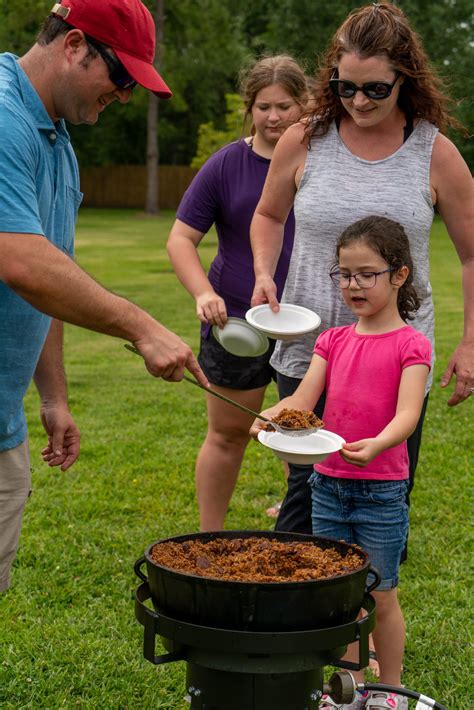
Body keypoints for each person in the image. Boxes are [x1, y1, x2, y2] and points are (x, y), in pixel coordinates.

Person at [0, 0, 209, 594]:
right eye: (120, 78)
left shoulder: (56, 141)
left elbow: (54, 275)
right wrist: (141, 325)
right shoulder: (3, 117)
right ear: (73, 46)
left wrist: (53, 396)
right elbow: (19, 261)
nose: (121, 96)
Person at [250, 1, 473, 541]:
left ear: (405, 80)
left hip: (391, 362)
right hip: (309, 348)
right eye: (345, 87)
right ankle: (305, 617)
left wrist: (470, 342)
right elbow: (268, 214)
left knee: (378, 502)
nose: (359, 100)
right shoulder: (304, 139)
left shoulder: (434, 154)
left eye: (375, 88)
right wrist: (263, 271)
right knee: (305, 502)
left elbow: (471, 254)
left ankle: (366, 612)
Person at [251, 216, 432, 709]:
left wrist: (376, 444)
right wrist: (268, 416)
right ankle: (350, 687)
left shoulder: (412, 345)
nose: (353, 285)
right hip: (327, 484)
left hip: (381, 491)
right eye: (345, 274)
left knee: (382, 594)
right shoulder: (332, 340)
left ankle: (388, 689)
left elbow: (408, 415)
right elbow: (304, 400)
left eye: (366, 274)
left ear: (399, 275)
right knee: (336, 592)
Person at [167, 56, 308, 530]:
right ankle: (209, 535)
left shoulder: (325, 161)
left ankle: (298, 522)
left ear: (304, 105)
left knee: (303, 432)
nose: (273, 117)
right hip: (237, 325)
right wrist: (203, 292)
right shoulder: (228, 163)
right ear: (249, 109)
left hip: (309, 325)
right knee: (228, 434)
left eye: (284, 106)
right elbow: (180, 239)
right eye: (263, 106)